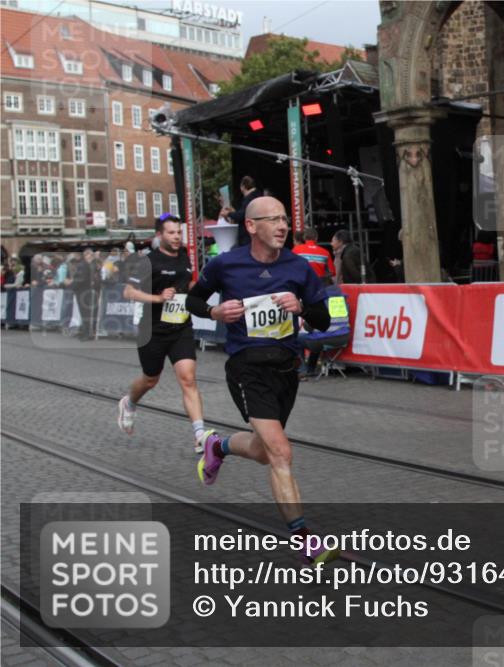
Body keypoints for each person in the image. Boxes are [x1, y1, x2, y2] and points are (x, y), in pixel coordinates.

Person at [185, 196, 337, 565]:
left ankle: (217, 447)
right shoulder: (225, 264)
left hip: (287, 368)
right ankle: (305, 540)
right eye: (273, 220)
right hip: (246, 368)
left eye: (285, 219)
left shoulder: (299, 268)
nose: (283, 226)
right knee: (281, 452)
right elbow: (193, 301)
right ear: (251, 226)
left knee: (261, 451)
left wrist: (301, 308)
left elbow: (323, 321)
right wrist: (214, 311)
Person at [118, 213, 210, 454]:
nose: (177, 237)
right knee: (151, 379)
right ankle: (130, 402)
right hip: (152, 330)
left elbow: (187, 285)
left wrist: (200, 289)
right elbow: (128, 292)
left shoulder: (185, 258)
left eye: (179, 232)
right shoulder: (148, 261)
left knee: (188, 378)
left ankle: (200, 434)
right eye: (171, 233)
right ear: (160, 235)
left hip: (180, 326)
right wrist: (157, 297)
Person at [219, 175, 262, 248]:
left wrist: (228, 213)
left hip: (248, 236)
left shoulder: (249, 198)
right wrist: (232, 212)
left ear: (242, 187)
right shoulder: (258, 195)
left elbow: (241, 215)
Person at [68, 248, 99, 340]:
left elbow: (80, 279)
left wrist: (72, 286)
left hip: (83, 291)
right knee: (87, 313)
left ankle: (87, 334)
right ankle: (87, 332)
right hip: (88, 290)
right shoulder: (90, 265)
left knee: (85, 313)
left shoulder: (83, 265)